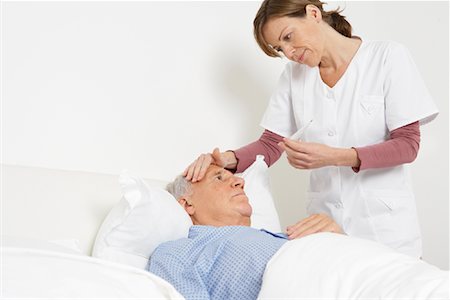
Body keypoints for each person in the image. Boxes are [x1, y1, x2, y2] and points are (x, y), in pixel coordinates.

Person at [183, 0, 438, 258]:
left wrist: (334, 156)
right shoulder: (294, 77)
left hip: (385, 229)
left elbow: (408, 145)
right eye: (280, 48)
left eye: (289, 37)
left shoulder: (386, 57)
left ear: (313, 13)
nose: (290, 52)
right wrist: (226, 159)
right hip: (325, 228)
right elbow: (271, 144)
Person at [148, 164, 343, 300]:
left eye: (237, 179)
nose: (240, 183)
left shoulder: (285, 236)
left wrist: (336, 237)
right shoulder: (178, 252)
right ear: (187, 204)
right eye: (218, 178)